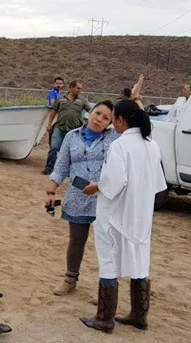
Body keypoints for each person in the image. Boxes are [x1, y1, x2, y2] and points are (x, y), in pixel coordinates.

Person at [80, 99, 166, 334]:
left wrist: (94, 187)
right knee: (140, 264)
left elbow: (113, 184)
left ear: (120, 120)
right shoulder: (152, 145)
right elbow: (158, 184)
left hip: (115, 216)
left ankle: (104, 318)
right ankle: (139, 315)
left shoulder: (120, 145)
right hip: (140, 218)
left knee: (108, 263)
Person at [45, 101, 117, 296]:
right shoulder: (71, 136)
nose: (99, 119)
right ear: (89, 113)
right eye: (97, 113)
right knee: (76, 240)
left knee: (107, 245)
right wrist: (51, 191)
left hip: (105, 199)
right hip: (77, 197)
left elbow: (141, 128)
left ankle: (107, 288)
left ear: (111, 122)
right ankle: (70, 279)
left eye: (105, 118)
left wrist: (136, 98)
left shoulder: (114, 138)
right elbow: (61, 167)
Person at [42, 80, 92, 175]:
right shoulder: (60, 98)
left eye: (81, 88)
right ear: (71, 88)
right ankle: (48, 168)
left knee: (72, 151)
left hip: (74, 130)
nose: (79, 90)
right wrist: (49, 125)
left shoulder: (82, 100)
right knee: (54, 147)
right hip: (60, 127)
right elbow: (53, 112)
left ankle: (69, 171)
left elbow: (91, 111)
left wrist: (89, 122)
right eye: (78, 88)